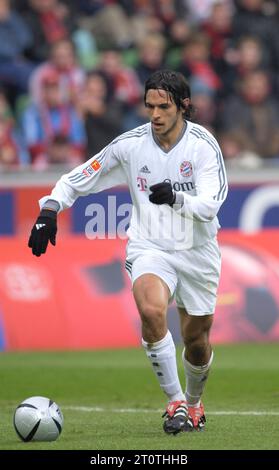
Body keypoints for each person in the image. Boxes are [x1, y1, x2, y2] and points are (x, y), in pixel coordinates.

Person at [28, 70, 228, 434]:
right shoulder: (131, 145)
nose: (154, 114)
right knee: (151, 312)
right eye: (149, 105)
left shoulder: (202, 145)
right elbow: (79, 177)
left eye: (163, 106)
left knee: (197, 340)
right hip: (149, 246)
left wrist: (176, 197)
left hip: (198, 251)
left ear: (183, 106)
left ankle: (195, 403)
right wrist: (50, 209)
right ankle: (175, 402)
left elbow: (211, 205)